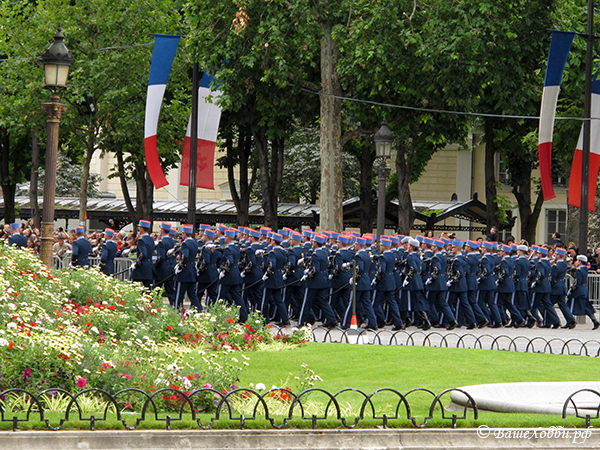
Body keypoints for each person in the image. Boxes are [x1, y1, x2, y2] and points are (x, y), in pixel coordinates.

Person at [174, 224, 200, 311]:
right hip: (192, 271)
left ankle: (177, 311)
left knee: (179, 294)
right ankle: (199, 310)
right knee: (192, 294)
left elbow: (185, 256)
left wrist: (180, 267)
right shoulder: (194, 243)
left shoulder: (185, 244)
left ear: (185, 234)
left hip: (184, 272)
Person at [130, 220, 155, 288]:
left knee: (132, 287)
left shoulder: (141, 240)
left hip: (141, 267)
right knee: (149, 290)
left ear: (141, 229)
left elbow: (143, 254)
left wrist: (136, 263)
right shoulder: (151, 239)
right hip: (149, 267)